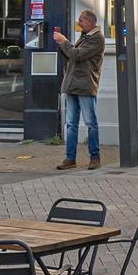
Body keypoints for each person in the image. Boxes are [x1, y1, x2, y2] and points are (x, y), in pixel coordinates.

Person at [52, 10, 105, 170]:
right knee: (71, 124)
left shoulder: (97, 39)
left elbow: (77, 55)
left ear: (90, 22)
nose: (79, 23)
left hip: (86, 85)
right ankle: (70, 158)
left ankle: (95, 157)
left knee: (90, 122)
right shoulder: (84, 36)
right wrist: (62, 45)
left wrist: (64, 41)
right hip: (73, 84)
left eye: (81, 21)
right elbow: (71, 55)